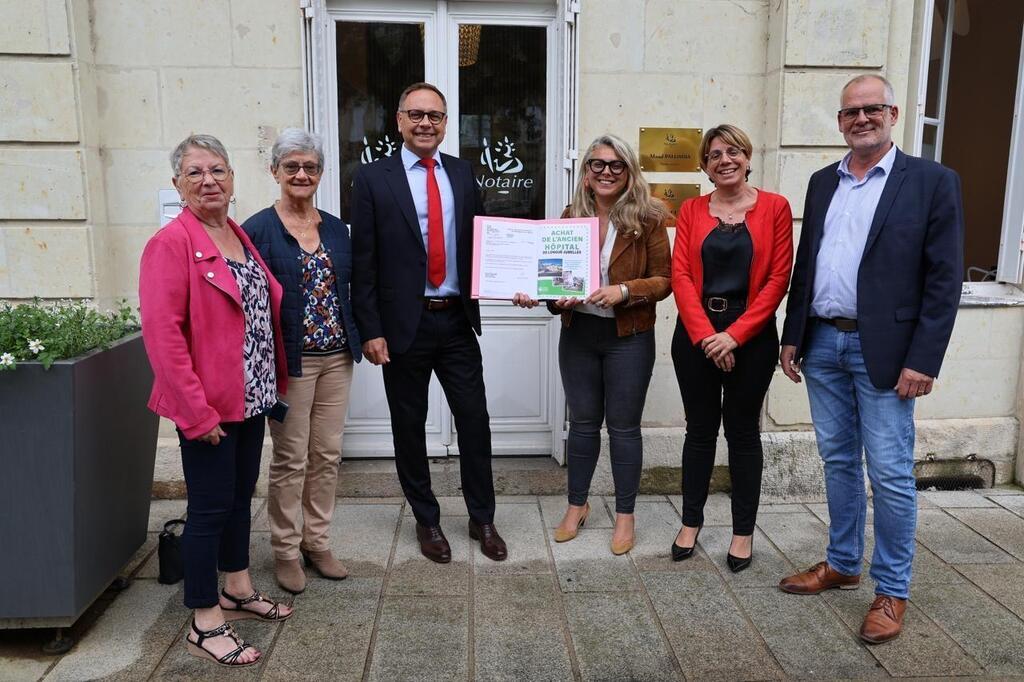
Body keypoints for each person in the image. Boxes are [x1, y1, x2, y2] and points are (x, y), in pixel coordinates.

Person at [778, 74, 963, 644]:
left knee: (889, 472)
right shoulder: (821, 182)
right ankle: (841, 563)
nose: (861, 118)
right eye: (851, 112)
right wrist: (794, 333)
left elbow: (944, 277)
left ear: (893, 113)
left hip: (888, 351)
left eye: (872, 109)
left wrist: (924, 358)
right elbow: (807, 263)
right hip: (824, 344)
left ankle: (891, 590)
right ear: (839, 121)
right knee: (836, 461)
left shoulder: (932, 182)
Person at [139, 134, 293, 668]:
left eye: (219, 170)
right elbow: (164, 337)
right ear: (179, 185)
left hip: (250, 396)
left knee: (238, 498)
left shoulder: (233, 233)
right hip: (206, 404)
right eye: (195, 172)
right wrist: (195, 411)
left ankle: (237, 588)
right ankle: (204, 619)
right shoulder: (171, 243)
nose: (209, 181)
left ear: (233, 179)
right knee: (208, 510)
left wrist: (272, 385)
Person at [350, 82, 507, 563]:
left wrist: (515, 280)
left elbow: (480, 244)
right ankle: (427, 519)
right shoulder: (373, 178)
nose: (425, 123)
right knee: (409, 425)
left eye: (435, 116)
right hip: (404, 325)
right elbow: (364, 262)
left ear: (445, 123)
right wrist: (370, 330)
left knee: (475, 421)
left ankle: (482, 517)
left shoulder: (462, 173)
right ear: (398, 120)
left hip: (456, 319)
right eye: (416, 114)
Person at [512, 134, 672, 555]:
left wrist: (623, 290)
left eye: (616, 165)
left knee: (623, 428)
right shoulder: (568, 218)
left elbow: (663, 281)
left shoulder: (649, 218)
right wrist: (541, 294)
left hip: (628, 337)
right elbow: (552, 282)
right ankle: (577, 505)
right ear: (585, 173)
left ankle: (624, 515)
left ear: (629, 173)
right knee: (581, 425)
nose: (605, 172)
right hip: (579, 335)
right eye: (597, 164)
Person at [243, 128, 362, 595]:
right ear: (274, 171)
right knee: (291, 459)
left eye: (310, 167)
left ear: (321, 174)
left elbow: (348, 289)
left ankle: (318, 541)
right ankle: (285, 550)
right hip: (290, 362)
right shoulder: (257, 229)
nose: (301, 174)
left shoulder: (335, 228)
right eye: (291, 166)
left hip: (337, 358)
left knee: (328, 455)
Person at [670, 124, 793, 572]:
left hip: (752, 337)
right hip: (696, 333)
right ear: (704, 165)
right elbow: (681, 275)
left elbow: (779, 278)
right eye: (715, 154)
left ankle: (742, 532)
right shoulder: (690, 210)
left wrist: (734, 335)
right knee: (699, 432)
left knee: (743, 435)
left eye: (734, 151)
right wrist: (707, 336)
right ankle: (690, 523)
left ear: (747, 156)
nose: (725, 160)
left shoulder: (776, 208)